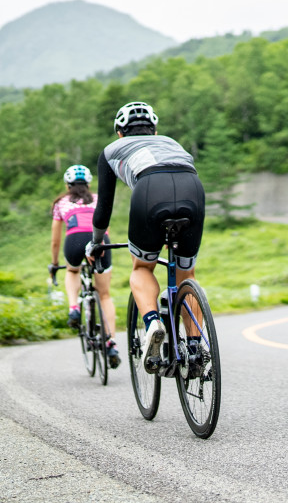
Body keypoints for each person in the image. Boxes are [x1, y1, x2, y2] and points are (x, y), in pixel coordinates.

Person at [90, 101, 205, 373]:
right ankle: (196, 348)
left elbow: (103, 208)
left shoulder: (110, 150)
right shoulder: (172, 143)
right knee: (186, 275)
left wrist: (96, 241)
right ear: (154, 131)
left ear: (120, 132)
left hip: (150, 190)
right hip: (192, 189)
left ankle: (153, 322)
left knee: (142, 267)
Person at [49, 164, 120, 368]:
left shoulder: (61, 202)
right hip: (100, 241)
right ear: (88, 183)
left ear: (67, 184)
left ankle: (73, 308)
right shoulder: (97, 199)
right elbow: (105, 227)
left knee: (72, 270)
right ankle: (111, 343)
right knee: (104, 294)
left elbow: (55, 240)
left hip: (74, 241)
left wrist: (55, 263)